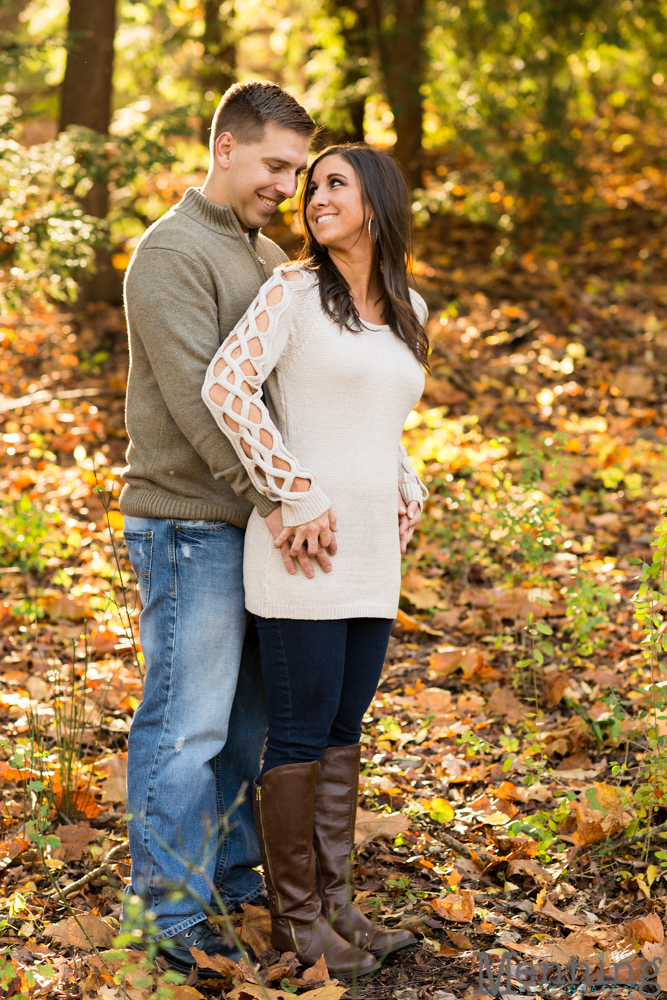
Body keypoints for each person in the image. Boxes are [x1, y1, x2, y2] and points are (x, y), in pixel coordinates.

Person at [202, 144, 428, 980]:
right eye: (311, 185)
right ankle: (300, 926)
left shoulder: (409, 308)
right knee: (298, 732)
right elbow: (227, 386)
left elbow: (378, 420)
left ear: (376, 200)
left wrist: (406, 484)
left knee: (343, 728)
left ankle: (336, 908)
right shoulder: (294, 290)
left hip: (372, 549)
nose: (314, 196)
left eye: (335, 183)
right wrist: (292, 491)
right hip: (304, 544)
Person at [119, 81, 325, 978]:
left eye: (297, 169)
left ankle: (229, 879)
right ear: (226, 149)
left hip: (249, 524)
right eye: (275, 165)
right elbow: (204, 405)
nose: (287, 184)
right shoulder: (171, 254)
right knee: (186, 724)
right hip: (189, 523)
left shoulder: (265, 252)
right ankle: (166, 915)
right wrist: (275, 499)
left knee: (246, 725)